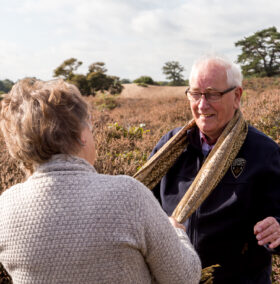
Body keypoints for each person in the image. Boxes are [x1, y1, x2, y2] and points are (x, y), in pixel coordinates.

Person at [0, 78, 201, 284]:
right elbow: (184, 277)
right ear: (80, 134)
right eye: (89, 123)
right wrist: (176, 233)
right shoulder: (128, 195)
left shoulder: (5, 208)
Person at [147, 55, 280, 283]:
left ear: (237, 96)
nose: (202, 104)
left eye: (212, 94)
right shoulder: (170, 147)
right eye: (196, 94)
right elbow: (145, 204)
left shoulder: (264, 152)